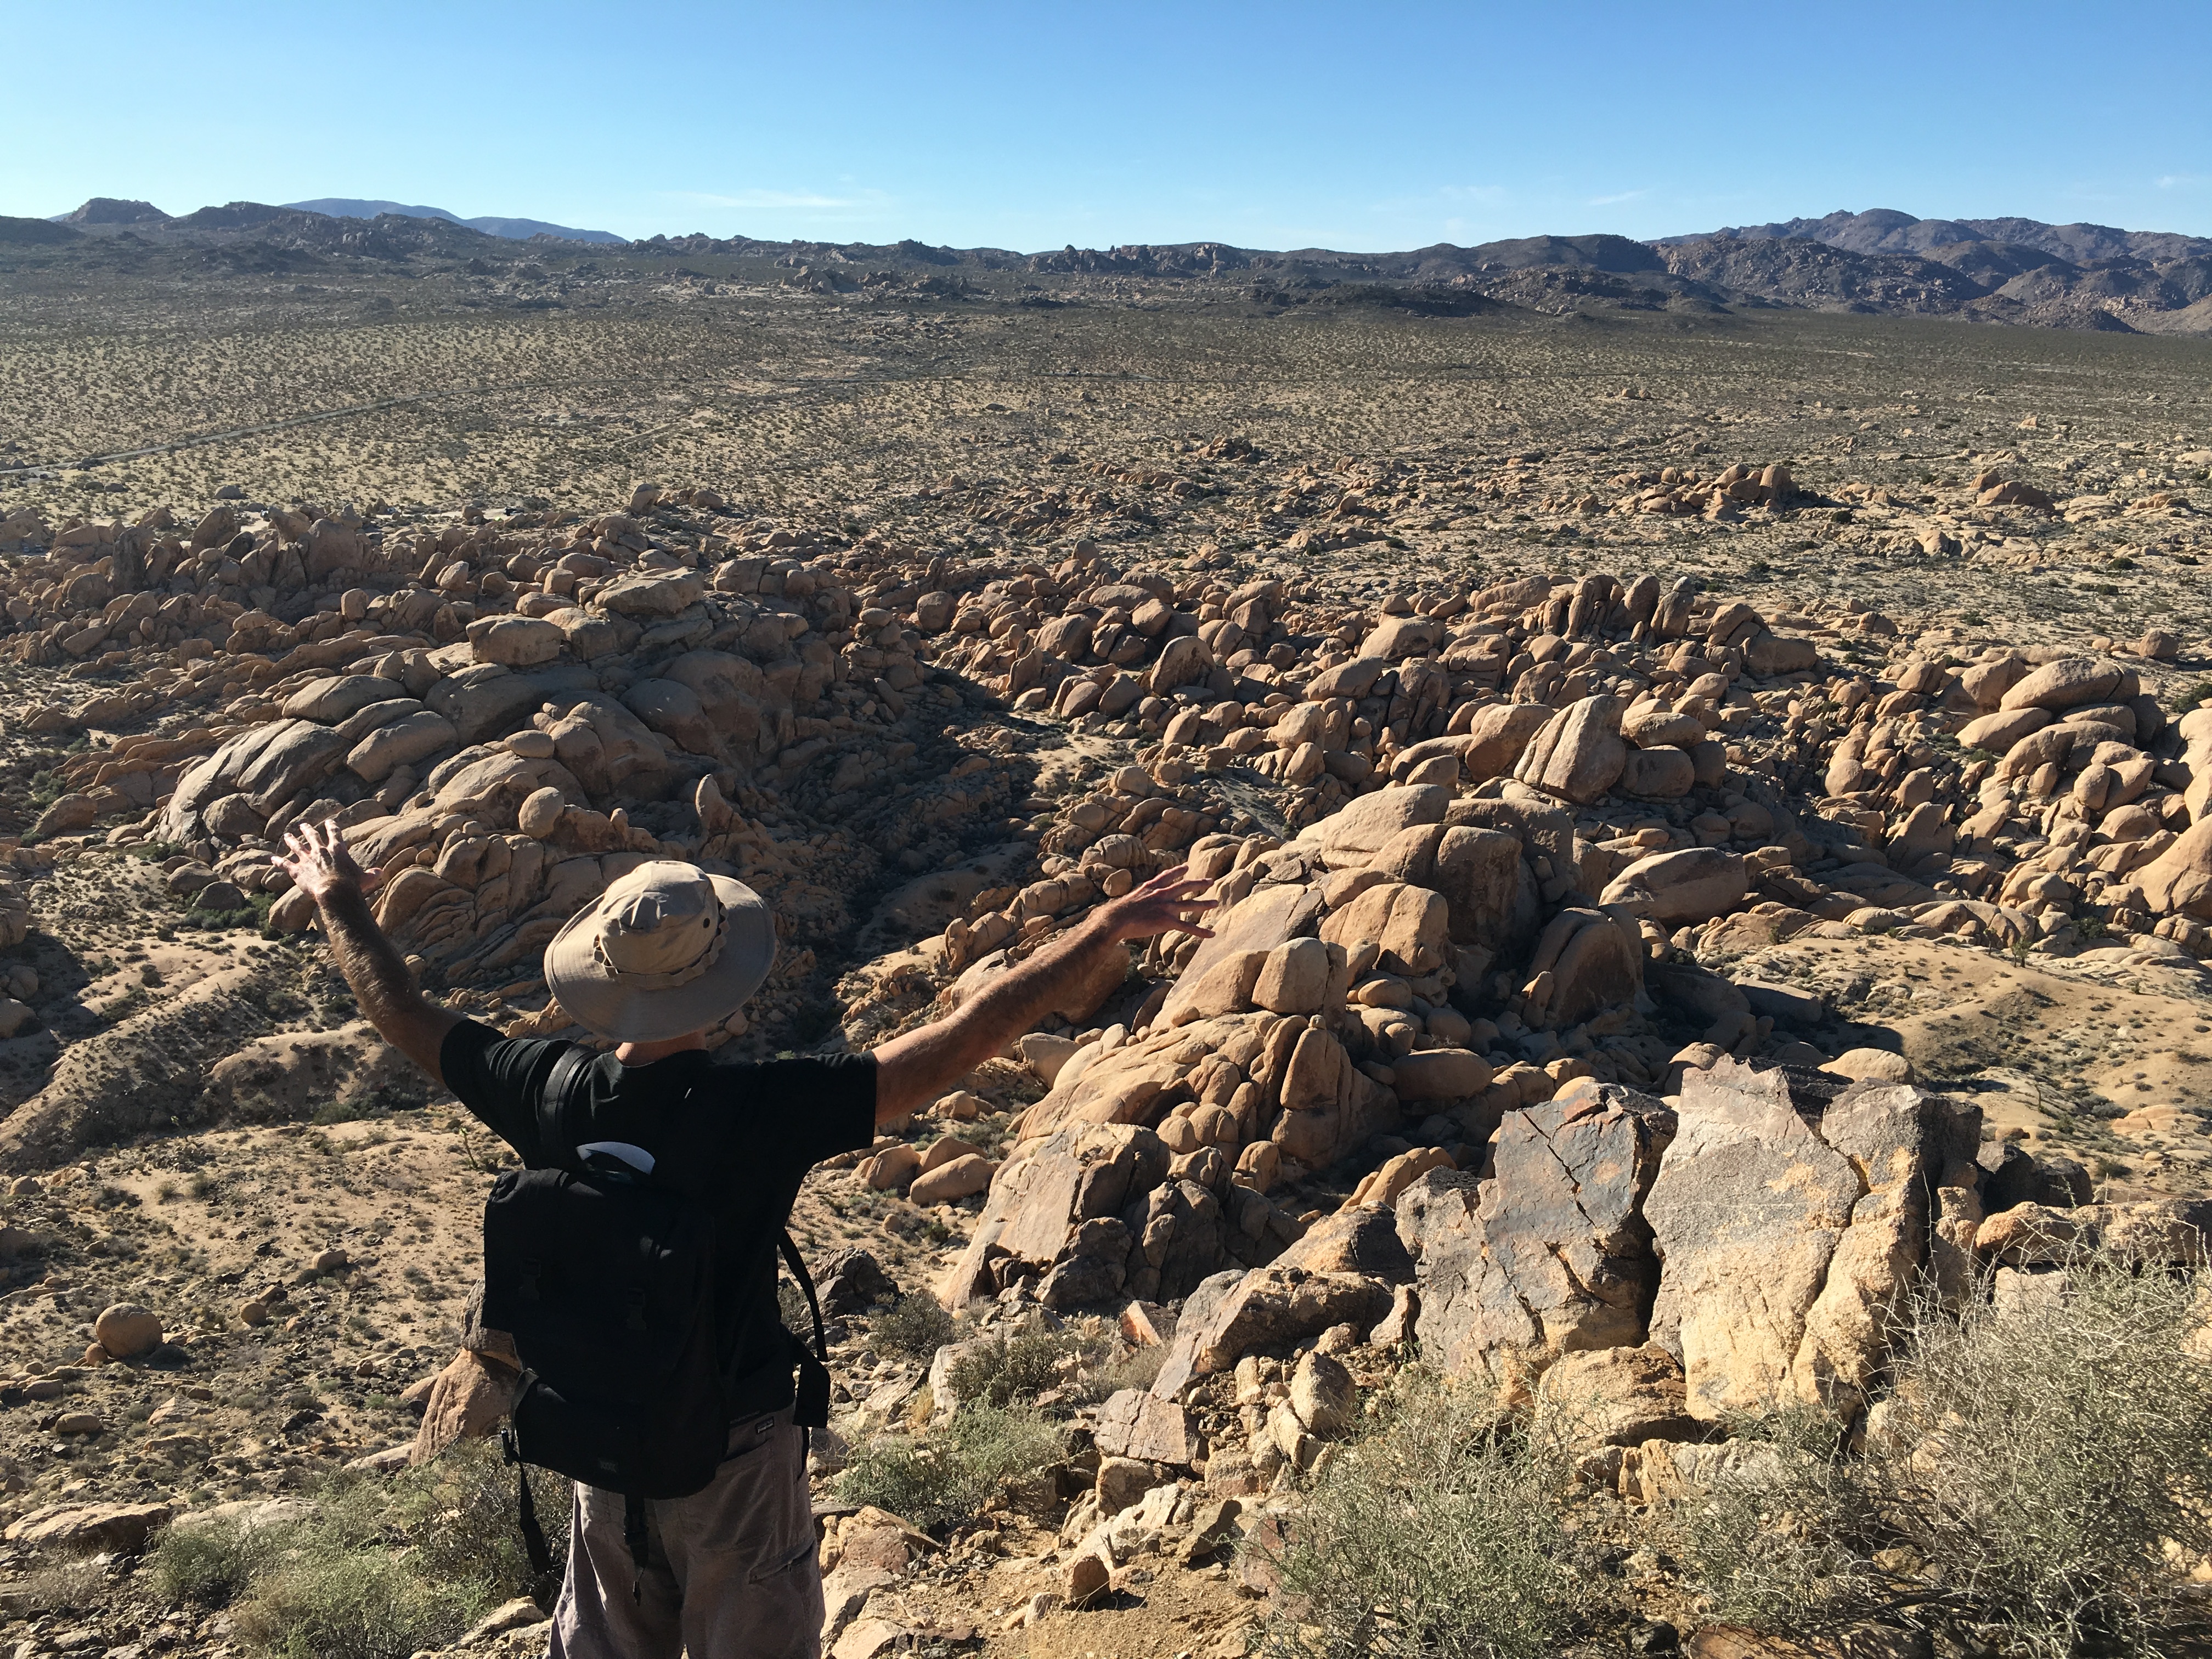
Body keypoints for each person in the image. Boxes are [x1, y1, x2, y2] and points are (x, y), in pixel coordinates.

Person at [273, 818, 1215, 1659]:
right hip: (734, 1447)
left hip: (600, 1438)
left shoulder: (545, 1092)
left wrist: (340, 899)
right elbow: (964, 1035)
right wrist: (1097, 935)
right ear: (718, 986)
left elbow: (399, 1010)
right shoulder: (764, 1110)